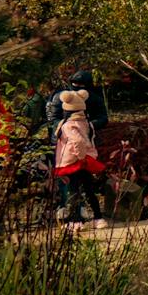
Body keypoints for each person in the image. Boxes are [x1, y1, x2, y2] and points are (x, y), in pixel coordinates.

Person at [52, 89, 108, 228]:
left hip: (73, 161)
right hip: (87, 160)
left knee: (73, 191)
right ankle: (98, 218)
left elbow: (77, 142)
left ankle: (75, 222)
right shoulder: (86, 122)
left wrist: (80, 156)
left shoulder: (68, 125)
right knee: (88, 190)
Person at [46, 68, 108, 136]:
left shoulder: (94, 98)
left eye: (81, 85)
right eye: (75, 84)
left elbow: (103, 118)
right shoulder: (61, 97)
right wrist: (67, 125)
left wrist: (88, 125)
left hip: (87, 135)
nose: (77, 86)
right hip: (64, 136)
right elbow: (53, 119)